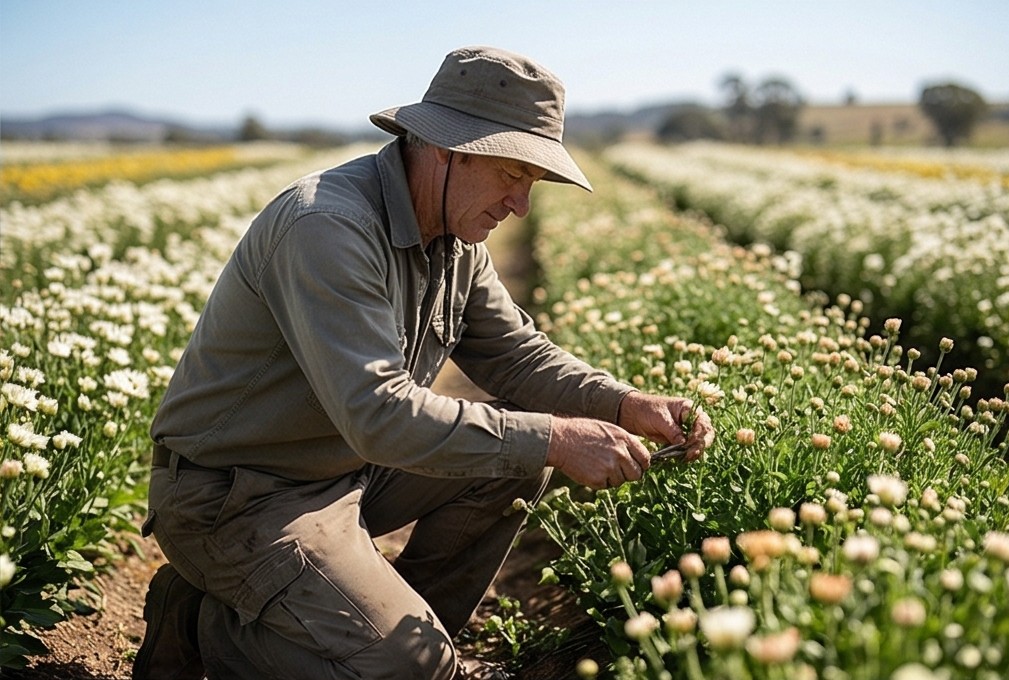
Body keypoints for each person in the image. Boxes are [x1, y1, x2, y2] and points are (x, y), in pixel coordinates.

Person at [133, 45, 714, 680]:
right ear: (445, 148)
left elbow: (517, 356)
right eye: (512, 175)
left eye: (532, 183)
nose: (520, 205)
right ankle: (199, 625)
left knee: (514, 461)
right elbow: (377, 414)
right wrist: (554, 437)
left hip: (345, 474)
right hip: (237, 497)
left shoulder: (455, 237)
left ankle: (380, 638)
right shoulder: (327, 226)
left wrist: (625, 404)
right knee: (415, 655)